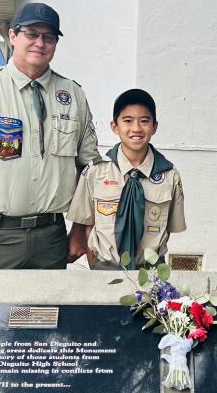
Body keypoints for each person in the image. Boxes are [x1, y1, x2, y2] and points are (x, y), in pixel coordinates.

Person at [0, 2, 101, 269]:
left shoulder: (72, 95)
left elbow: (90, 170)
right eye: (32, 34)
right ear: (13, 36)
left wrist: (80, 229)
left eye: (49, 37)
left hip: (51, 237)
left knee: (47, 312)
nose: (40, 43)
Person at [67, 88, 186, 269]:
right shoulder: (96, 172)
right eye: (127, 121)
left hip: (150, 272)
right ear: (114, 126)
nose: (136, 128)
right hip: (104, 268)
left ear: (154, 126)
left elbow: (170, 228)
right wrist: (95, 264)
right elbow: (87, 225)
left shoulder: (169, 176)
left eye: (144, 121)